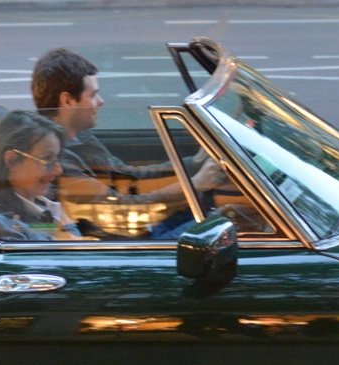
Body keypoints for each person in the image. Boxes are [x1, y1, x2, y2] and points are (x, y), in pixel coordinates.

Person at [32, 48, 225, 238]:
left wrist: (195, 162)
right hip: (119, 240)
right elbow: (122, 212)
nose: (101, 102)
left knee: (223, 215)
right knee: (226, 227)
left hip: (138, 227)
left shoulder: (82, 137)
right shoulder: (59, 162)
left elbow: (129, 176)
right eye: (92, 95)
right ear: (67, 101)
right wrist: (195, 185)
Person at [0, 110, 84, 242]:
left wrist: (61, 227)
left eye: (57, 159)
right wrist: (61, 233)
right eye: (47, 160)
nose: (58, 170)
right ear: (12, 161)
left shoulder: (43, 205)